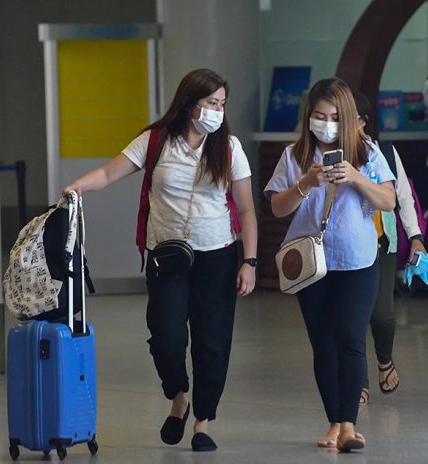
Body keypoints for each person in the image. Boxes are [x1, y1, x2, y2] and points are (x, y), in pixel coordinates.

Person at [63, 68, 258, 452]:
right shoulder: (155, 142)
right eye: (210, 104)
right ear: (189, 105)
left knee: (212, 342)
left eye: (221, 104)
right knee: (166, 336)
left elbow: (248, 211)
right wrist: (76, 187)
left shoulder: (230, 147)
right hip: (167, 258)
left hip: (217, 255)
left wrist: (249, 262)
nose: (217, 111)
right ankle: (178, 396)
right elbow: (108, 172)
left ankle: (202, 421)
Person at [264, 78, 396, 452]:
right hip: (311, 263)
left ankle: (350, 426)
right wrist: (306, 183)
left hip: (357, 259)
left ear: (350, 118)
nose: (325, 123)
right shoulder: (294, 156)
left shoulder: (367, 152)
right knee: (323, 344)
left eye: (335, 117)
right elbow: (277, 208)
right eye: (319, 116)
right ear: (309, 117)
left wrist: (355, 177)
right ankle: (335, 422)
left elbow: (388, 201)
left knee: (351, 339)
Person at [352, 92, 427, 405]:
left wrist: (416, 236)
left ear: (362, 121)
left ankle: (385, 359)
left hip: (382, 246)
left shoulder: (382, 151)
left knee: (381, 316)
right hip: (345, 250)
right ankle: (359, 380)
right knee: (352, 319)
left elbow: (404, 196)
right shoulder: (326, 153)